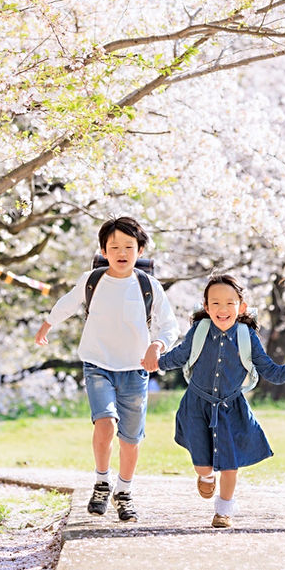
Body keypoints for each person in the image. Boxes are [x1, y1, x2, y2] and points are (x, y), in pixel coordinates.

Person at [144, 275, 285, 528]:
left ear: (242, 307)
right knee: (202, 465)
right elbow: (179, 356)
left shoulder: (248, 337)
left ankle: (223, 510)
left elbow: (271, 371)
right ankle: (205, 477)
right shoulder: (199, 331)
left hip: (231, 407)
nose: (222, 309)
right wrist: (155, 362)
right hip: (196, 405)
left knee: (230, 463)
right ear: (206, 308)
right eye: (215, 303)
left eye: (230, 303)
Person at [35, 216, 179, 523]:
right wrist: (48, 324)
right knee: (105, 426)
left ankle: (123, 492)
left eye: (129, 245)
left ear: (140, 250)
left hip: (135, 369)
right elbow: (69, 302)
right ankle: (102, 482)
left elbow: (169, 325)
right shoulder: (93, 280)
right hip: (97, 363)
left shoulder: (147, 285)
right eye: (114, 246)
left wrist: (158, 346)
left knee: (131, 438)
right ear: (104, 249)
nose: (122, 251)